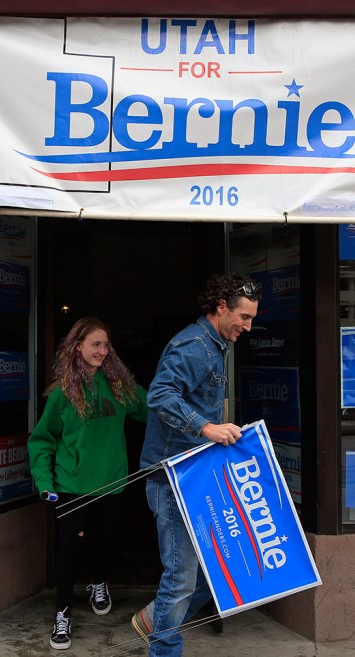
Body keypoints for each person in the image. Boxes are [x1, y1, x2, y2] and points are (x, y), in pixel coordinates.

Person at [132, 273, 261, 657]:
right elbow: (159, 395)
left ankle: (157, 618)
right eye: (244, 317)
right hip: (172, 479)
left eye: (252, 318)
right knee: (182, 577)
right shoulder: (193, 346)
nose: (248, 327)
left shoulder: (216, 344)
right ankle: (164, 647)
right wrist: (207, 428)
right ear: (221, 307)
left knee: (217, 574)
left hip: (196, 476)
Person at [27, 317, 148, 651]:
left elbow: (153, 410)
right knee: (70, 550)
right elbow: (41, 440)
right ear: (77, 346)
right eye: (96, 344)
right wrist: (45, 481)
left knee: (107, 542)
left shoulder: (121, 387)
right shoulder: (62, 393)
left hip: (112, 482)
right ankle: (62, 615)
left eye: (106, 345)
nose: (102, 351)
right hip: (71, 484)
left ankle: (98, 581)